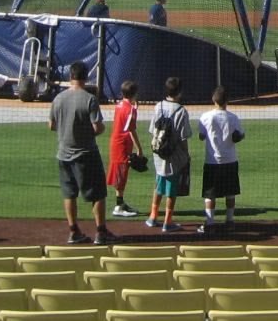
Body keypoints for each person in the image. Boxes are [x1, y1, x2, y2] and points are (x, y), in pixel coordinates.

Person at [47, 60, 113, 245]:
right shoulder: (89, 99)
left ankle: (74, 230)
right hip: (86, 154)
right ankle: (100, 231)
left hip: (63, 154)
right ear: (85, 77)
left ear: (71, 76)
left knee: (69, 194)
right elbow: (97, 127)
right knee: (98, 193)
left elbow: (51, 125)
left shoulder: (58, 98)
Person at [146, 76, 192, 233]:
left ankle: (153, 216)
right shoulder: (181, 111)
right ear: (180, 92)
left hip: (158, 152)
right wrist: (186, 154)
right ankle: (168, 220)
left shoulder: (158, 106)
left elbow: (153, 130)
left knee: (159, 183)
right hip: (174, 154)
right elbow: (183, 137)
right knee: (171, 188)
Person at [197, 86, 245, 233]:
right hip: (230, 159)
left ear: (213, 100)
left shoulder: (205, 117)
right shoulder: (233, 117)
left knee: (210, 194)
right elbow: (240, 135)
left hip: (212, 160)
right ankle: (230, 221)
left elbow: (201, 136)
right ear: (227, 101)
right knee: (230, 192)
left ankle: (210, 222)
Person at [104, 79, 142, 218]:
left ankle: (121, 203)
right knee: (121, 175)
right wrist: (139, 149)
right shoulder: (130, 110)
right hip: (122, 145)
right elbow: (131, 130)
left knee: (120, 173)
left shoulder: (119, 105)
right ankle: (118, 206)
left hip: (116, 142)